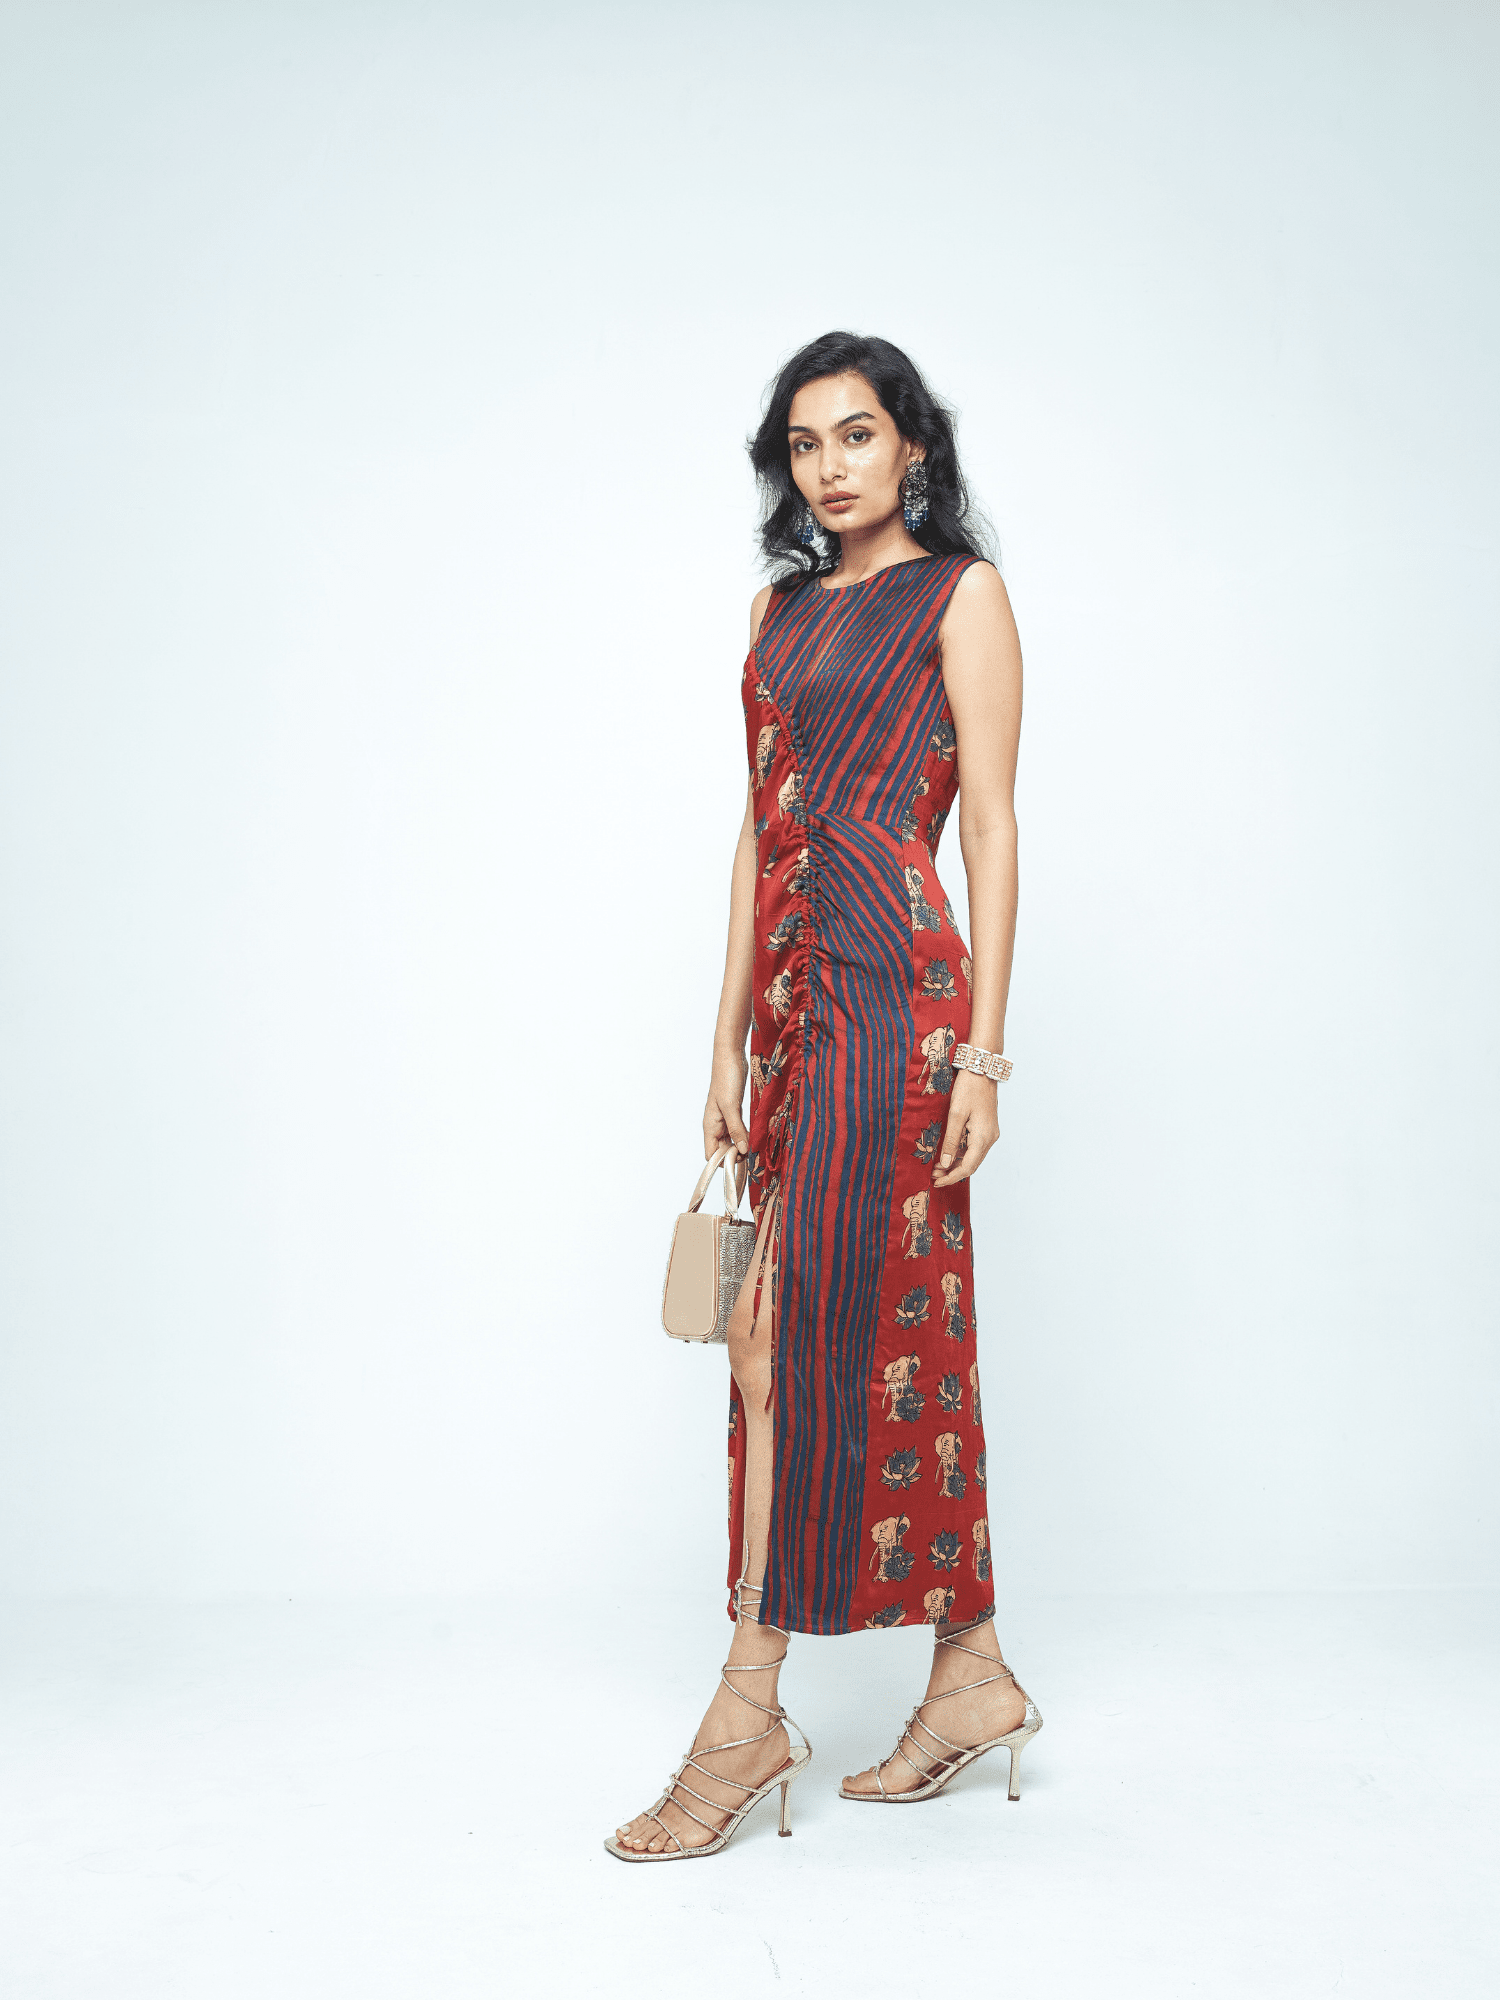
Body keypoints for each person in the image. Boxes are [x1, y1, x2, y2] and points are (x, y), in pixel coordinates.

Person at [607, 332, 1037, 1862]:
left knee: (804, 1332)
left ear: (913, 445)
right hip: (795, 1012)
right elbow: (757, 828)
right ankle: (971, 1673)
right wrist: (723, 1040)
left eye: (858, 434)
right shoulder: (776, 613)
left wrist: (983, 1053)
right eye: (804, 443)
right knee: (818, 1329)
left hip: (901, 1002)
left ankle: (747, 1709)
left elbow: (990, 825)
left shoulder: (960, 595)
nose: (831, 465)